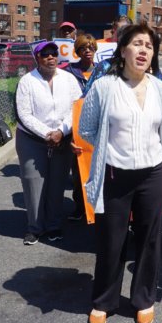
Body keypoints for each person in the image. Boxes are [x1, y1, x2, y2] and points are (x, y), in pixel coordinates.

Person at [79, 23, 162, 323]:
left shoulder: (160, 87)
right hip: (115, 175)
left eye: (149, 45)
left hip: (153, 175)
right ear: (123, 51)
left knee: (149, 240)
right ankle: (104, 300)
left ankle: (144, 299)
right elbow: (86, 128)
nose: (144, 50)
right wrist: (111, 152)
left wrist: (157, 158)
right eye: (137, 44)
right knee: (111, 240)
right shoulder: (104, 86)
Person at [15, 41, 82, 245]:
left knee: (56, 183)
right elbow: (24, 114)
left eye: (54, 53)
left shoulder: (69, 79)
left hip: (62, 138)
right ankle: (34, 227)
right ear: (37, 58)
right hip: (32, 139)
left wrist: (61, 132)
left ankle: (53, 224)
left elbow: (76, 108)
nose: (51, 57)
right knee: (34, 182)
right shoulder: (27, 81)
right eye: (45, 54)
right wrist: (47, 133)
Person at [65, 34, 98, 222]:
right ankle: (79, 206)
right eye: (84, 48)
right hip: (75, 127)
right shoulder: (69, 72)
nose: (88, 51)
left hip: (96, 126)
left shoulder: (102, 71)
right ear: (77, 51)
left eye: (91, 48)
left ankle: (95, 207)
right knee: (78, 171)